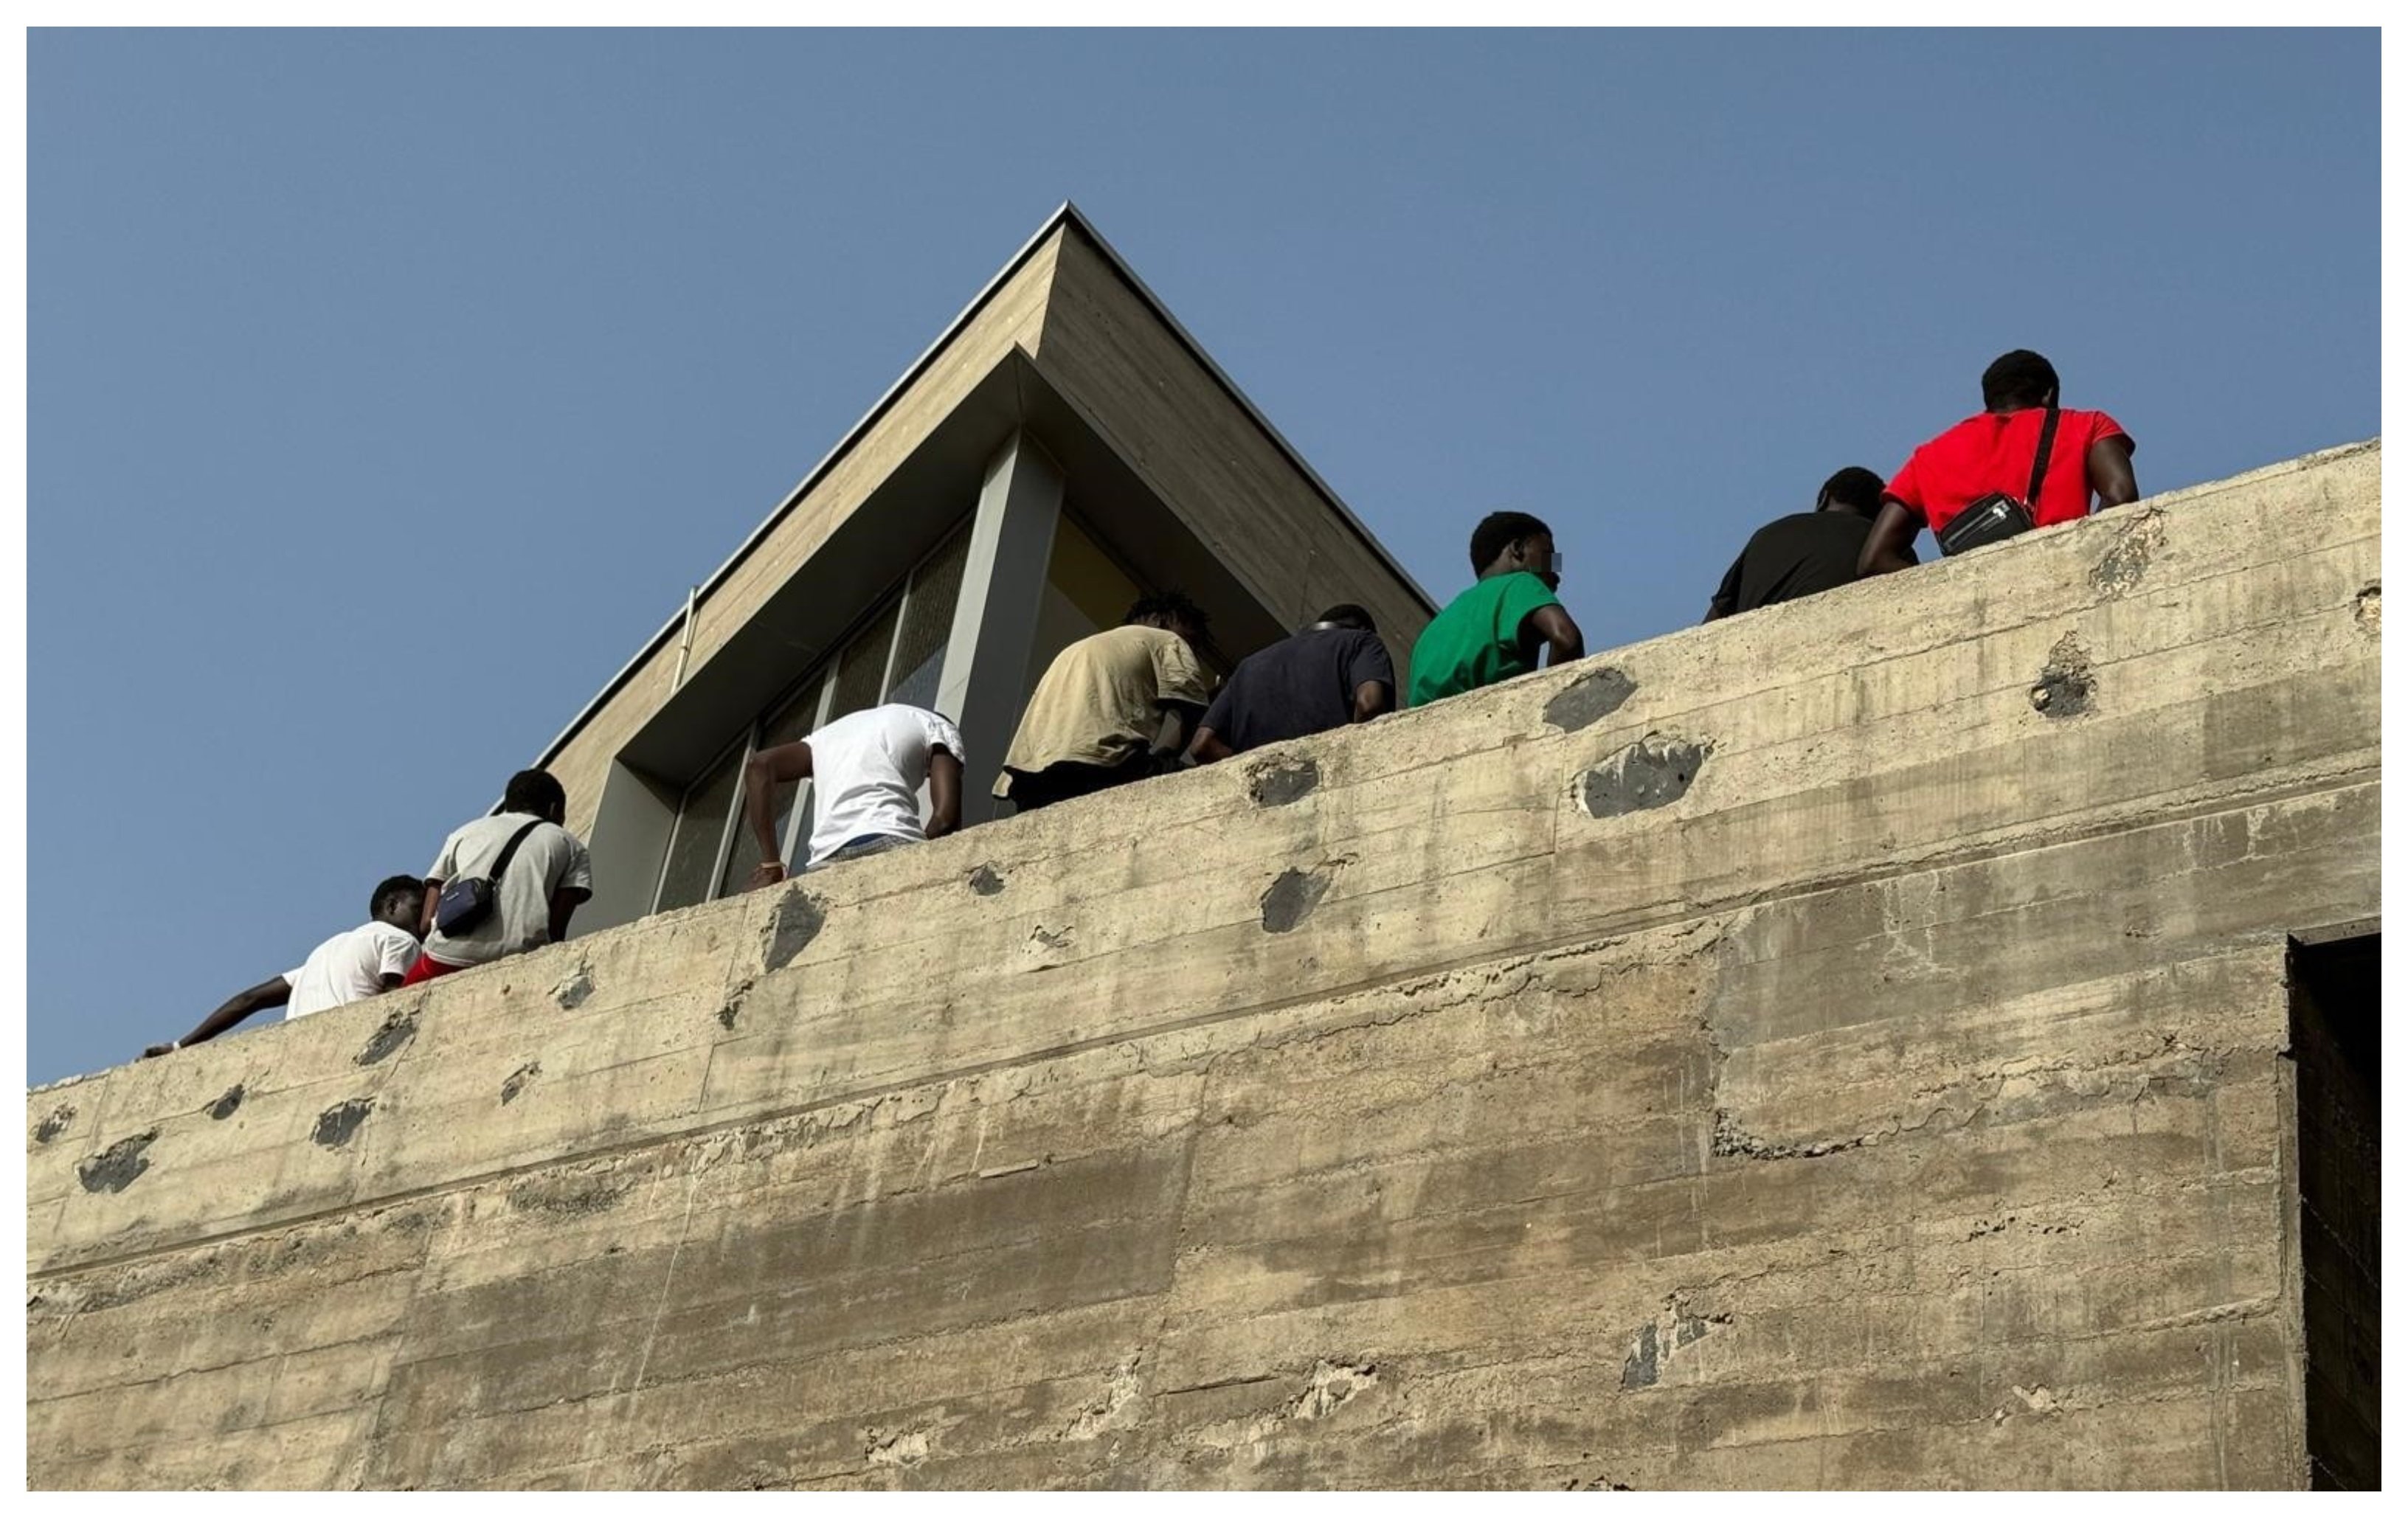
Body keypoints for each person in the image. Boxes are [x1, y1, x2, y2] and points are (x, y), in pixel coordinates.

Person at [1861, 349, 2139, 576]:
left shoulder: (1927, 456)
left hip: (1974, 600)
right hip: (2060, 576)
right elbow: (2120, 494)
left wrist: (1944, 586)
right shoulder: (2087, 424)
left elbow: (1875, 558)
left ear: (1989, 399)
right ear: (2049, 394)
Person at [144, 875, 424, 1056]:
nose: (425, 920)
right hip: (349, 1051)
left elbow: (249, 999)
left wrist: (181, 1046)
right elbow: (395, 1003)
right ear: (391, 906)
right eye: (419, 908)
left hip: (293, 1055)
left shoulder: (327, 950)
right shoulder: (400, 940)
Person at [996, 592, 1214, 812]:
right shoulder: (1168, 640)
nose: (1192, 655)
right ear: (1160, 621)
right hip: (1101, 766)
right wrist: (1217, 703)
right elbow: (1197, 721)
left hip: (1030, 779)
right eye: (1193, 642)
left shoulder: (1079, 649)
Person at [740, 702, 965, 888]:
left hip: (828, 855)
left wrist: (771, 864)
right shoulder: (938, 726)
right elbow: (945, 819)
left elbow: (759, 765)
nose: (925, 777)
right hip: (891, 836)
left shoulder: (827, 736)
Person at [409, 769, 592, 984]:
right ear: (554, 809)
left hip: (448, 956)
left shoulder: (465, 832)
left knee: (399, 996)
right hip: (521, 959)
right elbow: (557, 930)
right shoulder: (572, 846)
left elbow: (426, 922)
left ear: (510, 803)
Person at [1408, 510, 1585, 706]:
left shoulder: (1434, 628)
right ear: (1518, 549)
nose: (1557, 573)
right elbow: (1567, 639)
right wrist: (1550, 703)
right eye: (1550, 558)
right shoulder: (1521, 583)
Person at [1184, 604, 1395, 764]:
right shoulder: (1363, 641)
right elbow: (1370, 705)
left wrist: (1254, 767)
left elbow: (1202, 745)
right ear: (1362, 629)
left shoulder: (1250, 665)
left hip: (1260, 804)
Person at [1703, 467, 1901, 621]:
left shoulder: (1768, 534)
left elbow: (1713, 620)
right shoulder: (1888, 550)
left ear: (1824, 499)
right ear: (1881, 518)